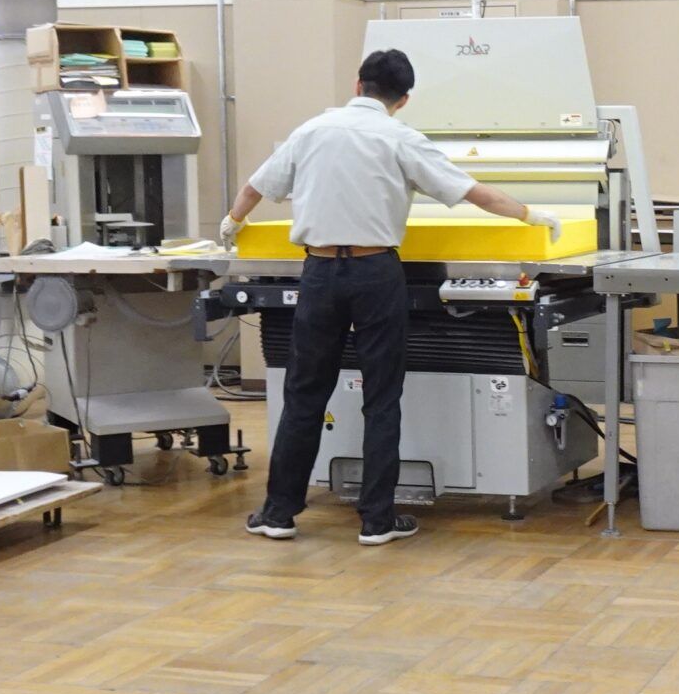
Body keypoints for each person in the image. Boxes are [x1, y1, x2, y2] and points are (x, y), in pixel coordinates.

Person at [221, 47, 560, 545]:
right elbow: (474, 192)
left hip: (318, 272)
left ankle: (278, 513)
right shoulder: (401, 138)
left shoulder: (312, 130)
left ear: (358, 85)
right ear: (403, 100)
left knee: (304, 394)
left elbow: (255, 187)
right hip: (375, 272)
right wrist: (532, 216)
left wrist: (233, 221)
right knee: (381, 398)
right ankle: (377, 520)